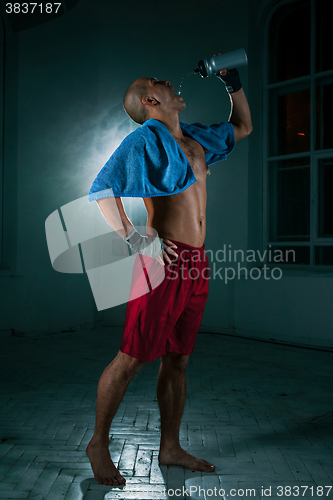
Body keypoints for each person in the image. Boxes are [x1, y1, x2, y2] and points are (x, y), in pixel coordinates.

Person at [86, 65, 252, 486]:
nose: (169, 82)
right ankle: (98, 444)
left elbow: (243, 125)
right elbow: (103, 189)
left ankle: (170, 447)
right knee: (132, 358)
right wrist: (136, 239)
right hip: (161, 265)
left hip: (196, 263)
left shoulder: (195, 139)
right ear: (149, 100)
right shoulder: (145, 140)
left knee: (178, 358)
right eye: (159, 81)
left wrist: (232, 82)